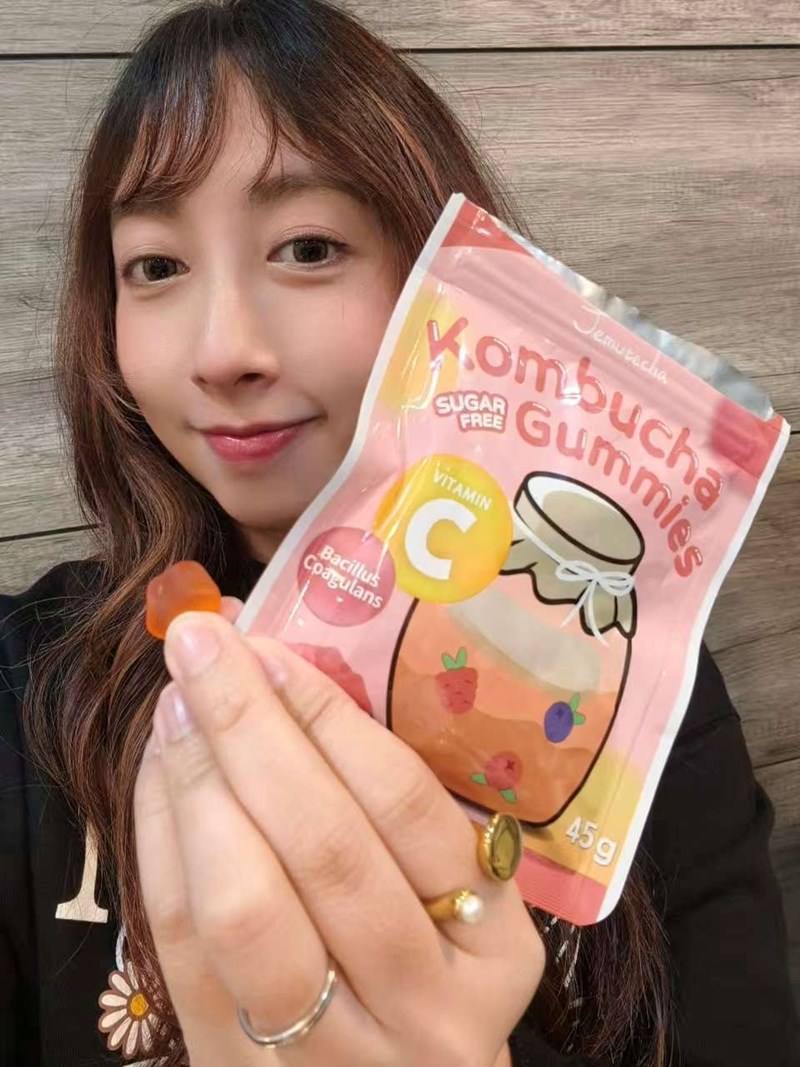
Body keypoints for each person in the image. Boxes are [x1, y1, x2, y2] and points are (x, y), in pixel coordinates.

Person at [1, 1, 797, 1064]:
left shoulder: (628, 700)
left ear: (443, 285)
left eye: (308, 247)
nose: (221, 351)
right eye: (155, 266)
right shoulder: (26, 680)